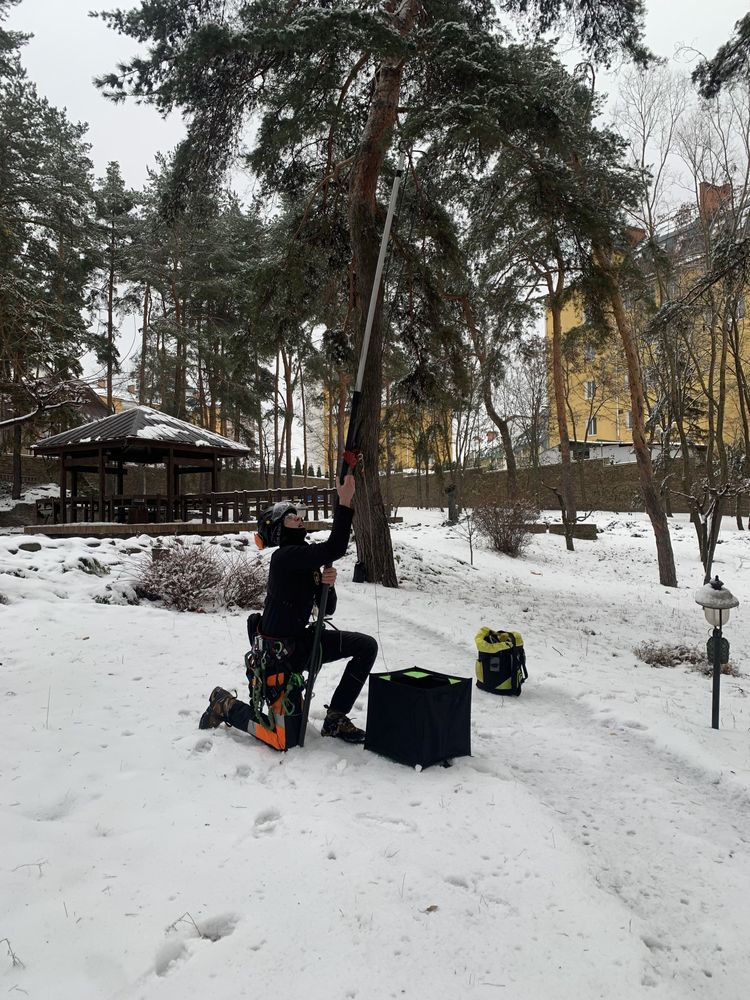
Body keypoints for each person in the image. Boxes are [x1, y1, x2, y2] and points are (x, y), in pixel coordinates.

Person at [198, 474, 377, 744]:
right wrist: (344, 501)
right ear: (279, 528)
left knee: (366, 647)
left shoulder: (306, 561)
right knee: (284, 740)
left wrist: (328, 584)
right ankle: (225, 705)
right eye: (291, 517)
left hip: (301, 644)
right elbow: (336, 546)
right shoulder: (284, 557)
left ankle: (336, 718)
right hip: (276, 659)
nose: (299, 518)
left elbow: (328, 607)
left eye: (298, 515)